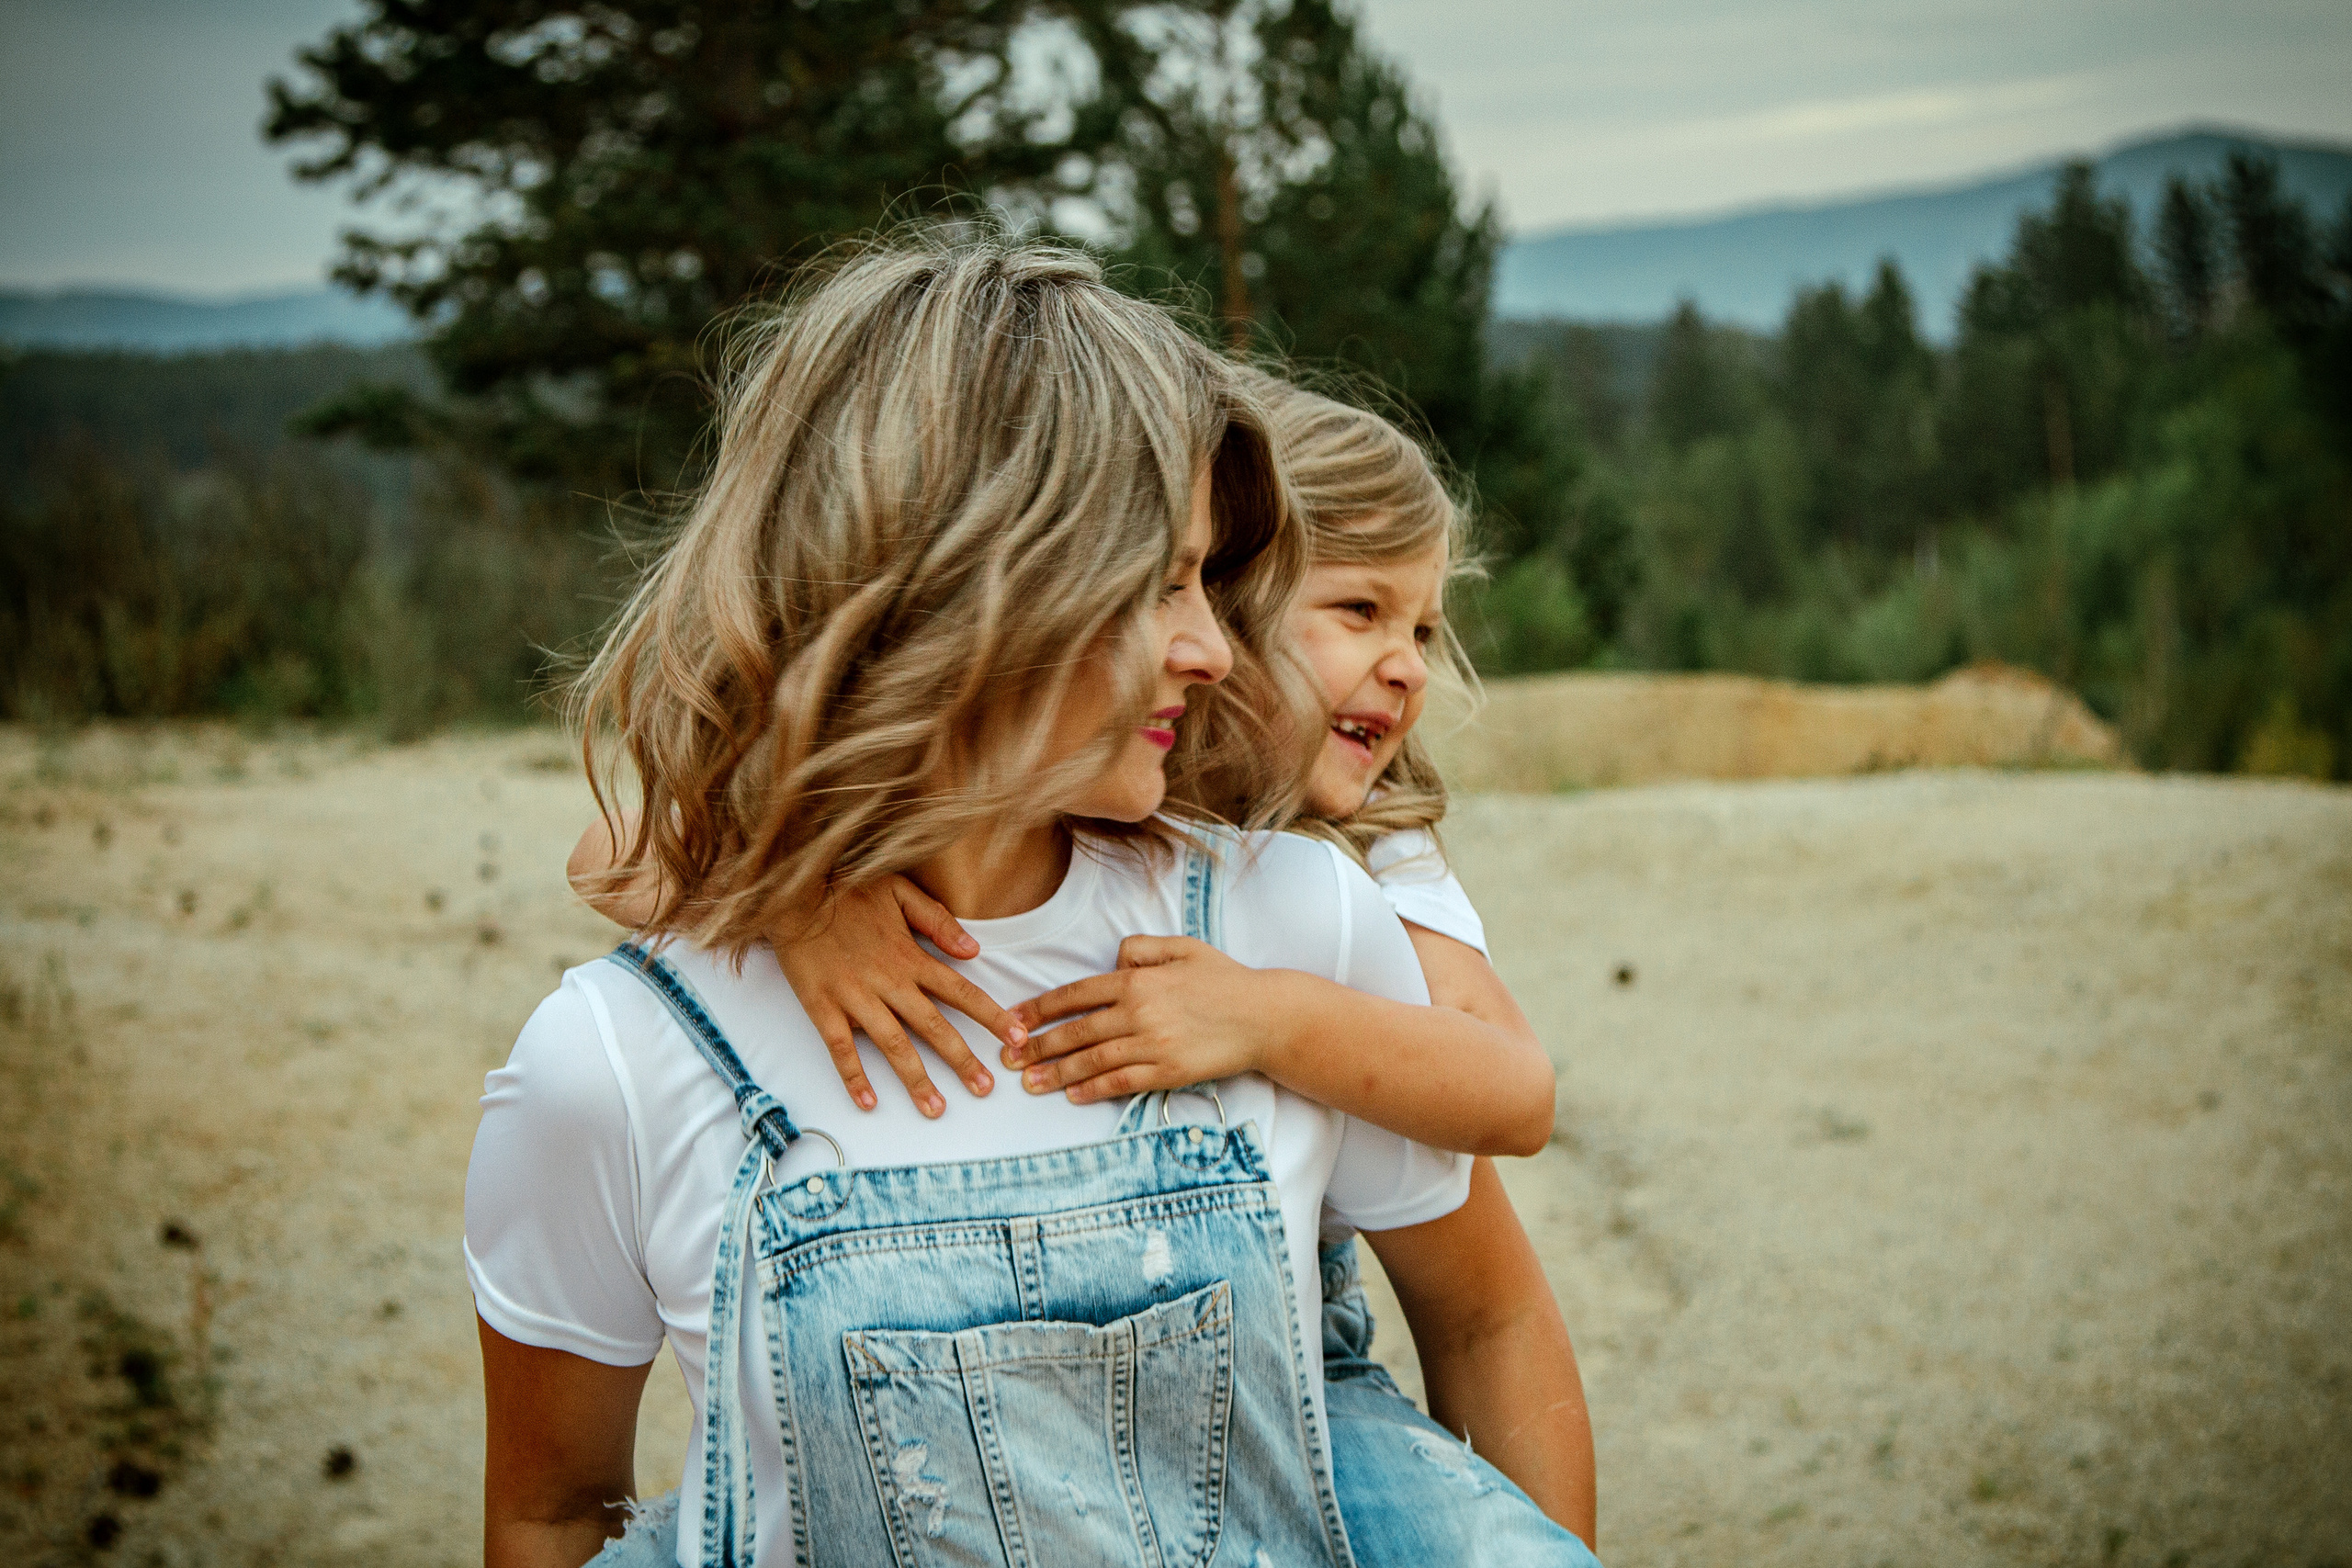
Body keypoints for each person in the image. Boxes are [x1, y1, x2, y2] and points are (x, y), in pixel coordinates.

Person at [468, 232, 1596, 1568]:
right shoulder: (619, 1056)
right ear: (972, 585)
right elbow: (548, 1512)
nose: (1212, 647)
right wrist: (782, 895)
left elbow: (1494, 1270)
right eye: (1163, 583)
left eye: (1212, 580)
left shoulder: (1301, 907)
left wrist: (1273, 1017)